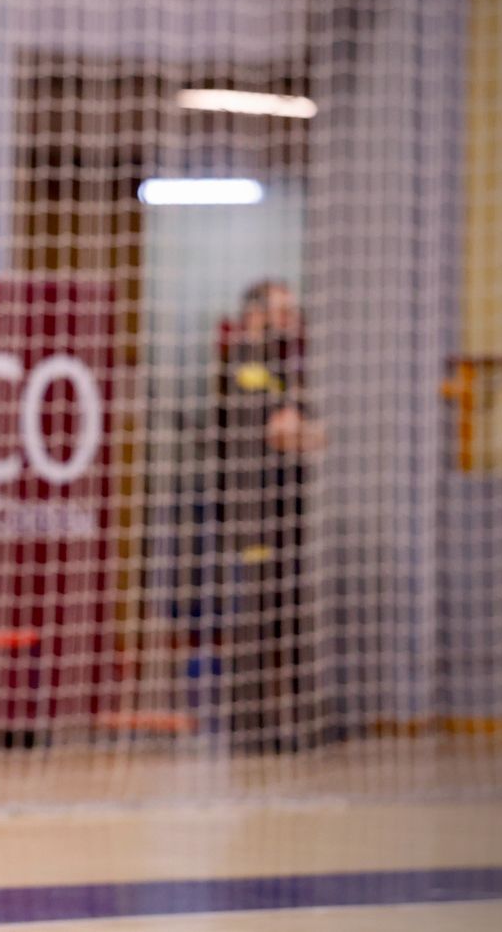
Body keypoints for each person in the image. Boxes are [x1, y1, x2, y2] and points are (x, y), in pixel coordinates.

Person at [214, 279, 324, 753]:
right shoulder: (245, 361)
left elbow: (306, 430)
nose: (291, 316)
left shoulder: (282, 364)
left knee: (283, 615)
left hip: (283, 508)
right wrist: (304, 430)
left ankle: (281, 721)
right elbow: (283, 431)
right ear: (257, 312)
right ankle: (248, 727)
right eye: (282, 309)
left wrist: (306, 430)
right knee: (254, 616)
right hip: (253, 510)